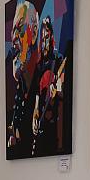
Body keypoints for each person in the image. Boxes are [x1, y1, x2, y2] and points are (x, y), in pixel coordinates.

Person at [6, 0, 40, 159]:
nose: (13, 38)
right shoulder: (20, 92)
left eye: (19, 30)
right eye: (12, 32)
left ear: (34, 33)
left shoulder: (44, 84)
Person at [31, 16, 67, 157]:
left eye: (47, 38)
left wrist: (57, 89)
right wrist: (35, 115)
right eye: (43, 39)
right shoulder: (39, 66)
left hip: (54, 119)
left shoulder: (57, 60)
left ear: (51, 37)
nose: (44, 42)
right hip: (42, 120)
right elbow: (37, 94)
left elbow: (62, 90)